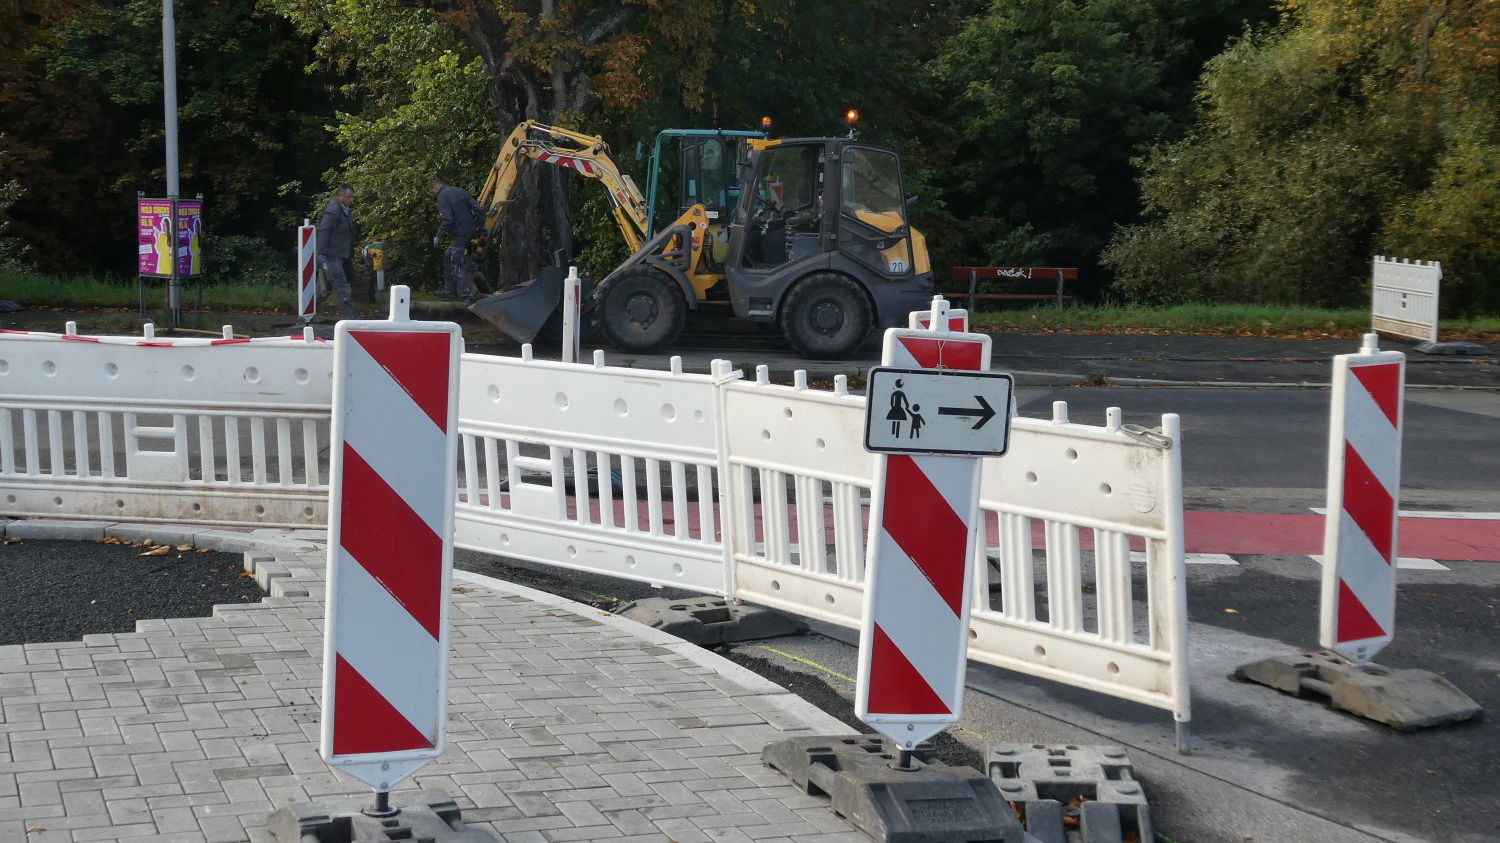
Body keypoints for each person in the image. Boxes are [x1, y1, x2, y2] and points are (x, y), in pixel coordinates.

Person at [431, 177, 484, 304]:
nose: (433, 194)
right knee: (447, 255)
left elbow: (447, 219)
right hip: (470, 230)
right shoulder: (459, 191)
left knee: (455, 262)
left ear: (436, 188)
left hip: (460, 233)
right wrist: (481, 227)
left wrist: (438, 236)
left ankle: (467, 296)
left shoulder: (442, 196)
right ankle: (450, 291)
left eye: (432, 191)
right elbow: (478, 209)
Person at [316, 183, 359, 319]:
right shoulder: (333, 210)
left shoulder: (343, 209)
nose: (351, 200)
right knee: (342, 287)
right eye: (349, 197)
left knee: (326, 289)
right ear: (339, 196)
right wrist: (322, 254)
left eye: (352, 197)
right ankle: (353, 319)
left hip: (340, 255)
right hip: (331, 255)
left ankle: (305, 315)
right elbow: (324, 230)